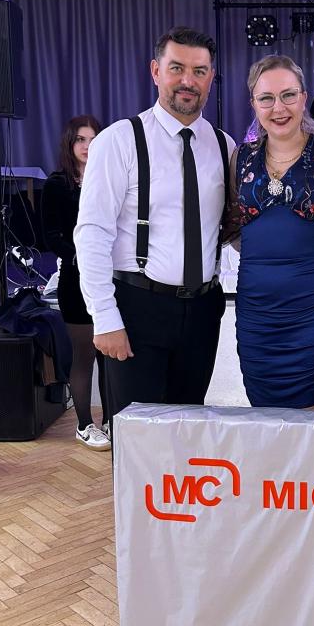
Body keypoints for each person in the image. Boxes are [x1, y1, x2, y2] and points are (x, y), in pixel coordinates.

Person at [74, 27, 234, 422]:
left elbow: (233, 229)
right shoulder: (118, 140)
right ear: (155, 71)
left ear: (211, 78)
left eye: (199, 71)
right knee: (136, 437)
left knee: (188, 428)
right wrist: (104, 317)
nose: (187, 80)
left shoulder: (224, 145)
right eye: (176, 68)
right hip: (137, 308)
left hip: (203, 310)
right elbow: (92, 234)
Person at [231, 55, 314, 408]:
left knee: (313, 427)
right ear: (254, 103)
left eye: (288, 95)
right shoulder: (240, 157)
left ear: (303, 97)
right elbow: (234, 225)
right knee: (265, 423)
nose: (278, 108)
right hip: (258, 316)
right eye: (266, 98)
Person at [41, 115, 110, 450]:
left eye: (93, 139)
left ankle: (112, 420)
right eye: (81, 140)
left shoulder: (111, 179)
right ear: (70, 144)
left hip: (112, 279)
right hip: (76, 278)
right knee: (84, 355)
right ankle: (85, 424)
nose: (87, 146)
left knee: (112, 357)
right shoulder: (57, 184)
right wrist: (83, 256)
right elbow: (51, 235)